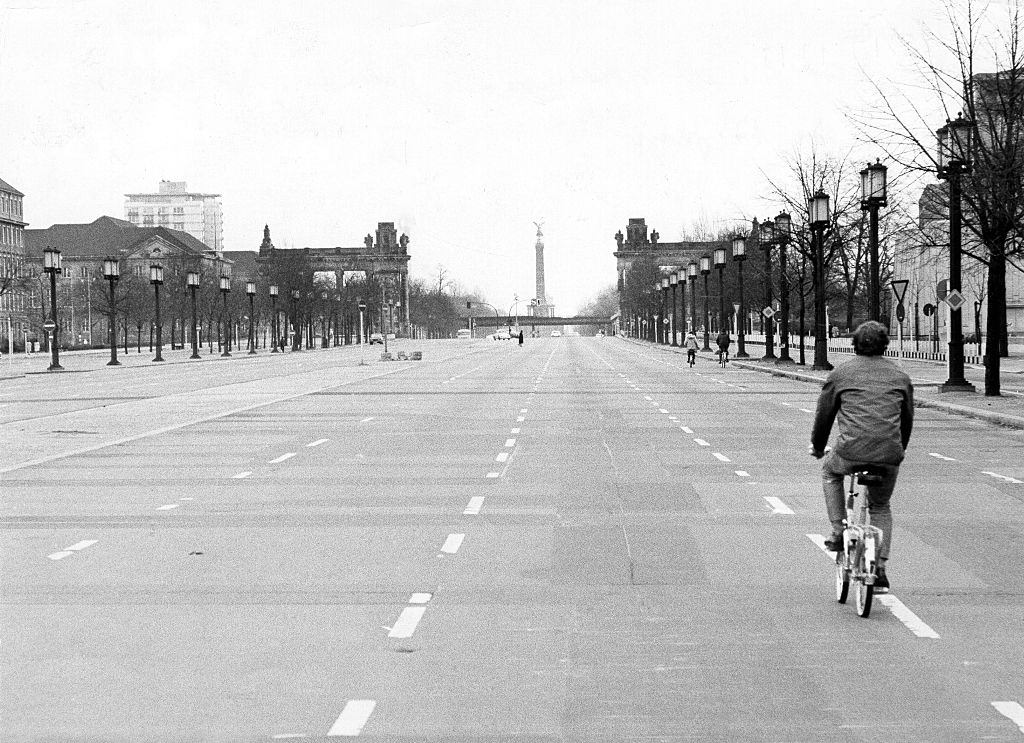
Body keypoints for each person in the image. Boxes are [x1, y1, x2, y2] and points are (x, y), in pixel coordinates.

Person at [809, 321, 913, 594]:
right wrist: (898, 449)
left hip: (850, 452)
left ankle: (837, 530)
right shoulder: (900, 376)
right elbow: (907, 420)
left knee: (830, 473)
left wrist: (818, 447)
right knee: (881, 506)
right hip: (889, 454)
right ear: (885, 344)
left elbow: (825, 415)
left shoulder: (841, 373)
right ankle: (880, 570)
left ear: (854, 343)